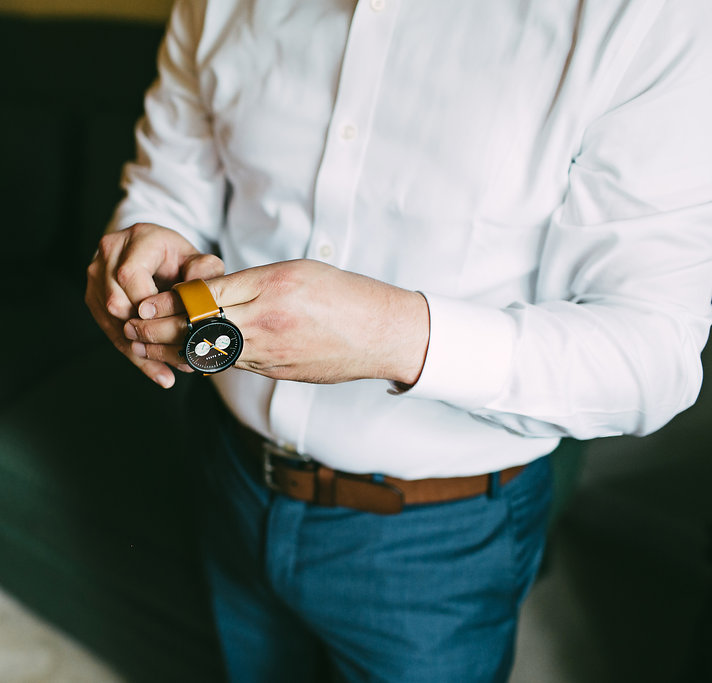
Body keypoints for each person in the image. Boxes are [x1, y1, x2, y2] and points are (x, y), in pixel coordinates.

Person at [85, 0, 712, 680]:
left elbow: (652, 355)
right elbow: (171, 177)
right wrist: (150, 234)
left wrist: (390, 333)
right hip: (230, 470)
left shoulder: (651, 18)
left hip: (440, 540)